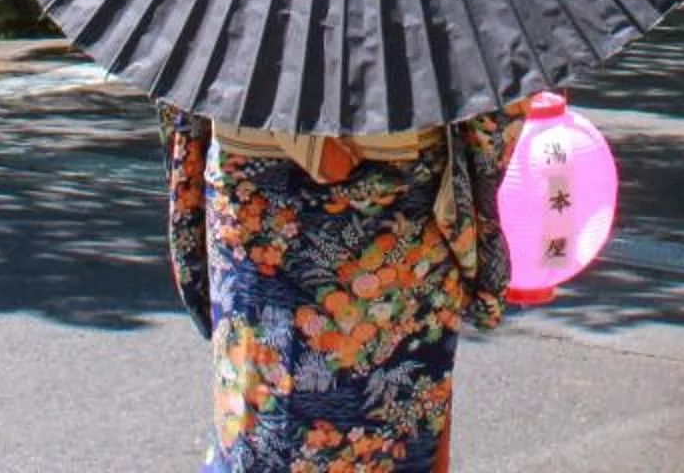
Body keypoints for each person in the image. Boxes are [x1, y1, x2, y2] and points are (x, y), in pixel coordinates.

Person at [162, 104, 523, 473]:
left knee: (263, 409)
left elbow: (196, 69)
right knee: (390, 421)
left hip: (254, 191)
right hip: (396, 198)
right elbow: (488, 93)